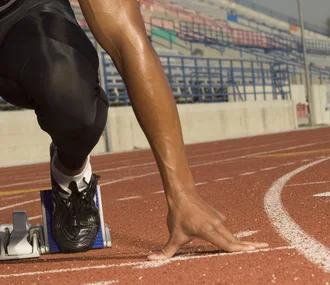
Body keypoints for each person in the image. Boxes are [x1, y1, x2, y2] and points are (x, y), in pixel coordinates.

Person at [0, 0, 267, 258]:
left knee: (69, 92)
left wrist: (182, 194)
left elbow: (124, 36)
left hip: (21, 16)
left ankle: (70, 174)